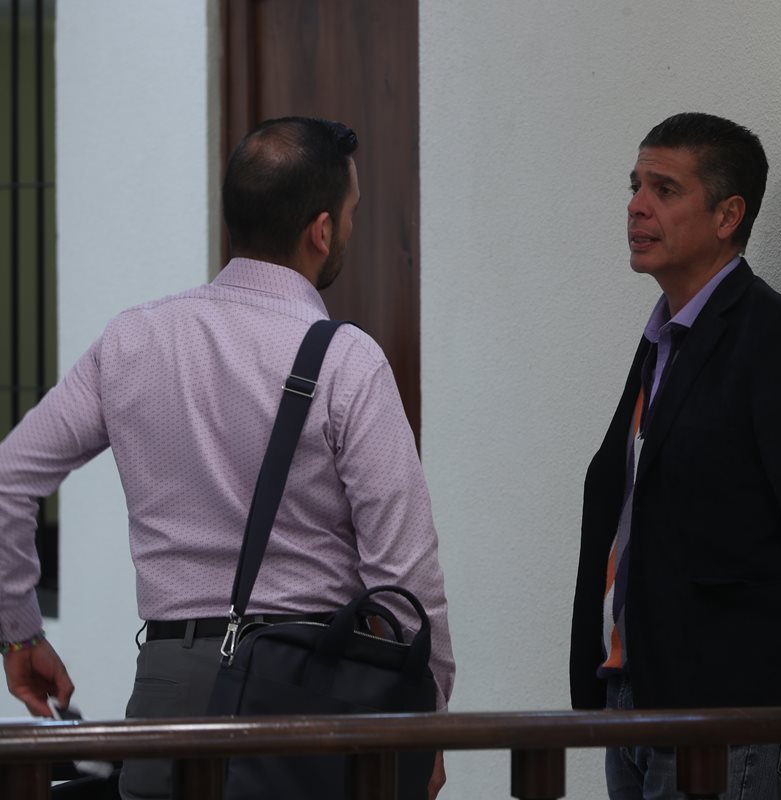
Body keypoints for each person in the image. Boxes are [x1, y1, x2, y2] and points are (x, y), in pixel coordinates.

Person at [0, 117, 454, 799]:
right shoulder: (346, 361)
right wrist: (427, 721)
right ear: (321, 230)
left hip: (164, 694)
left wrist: (18, 634)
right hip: (306, 704)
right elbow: (406, 576)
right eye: (353, 214)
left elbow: (9, 478)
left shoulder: (132, 340)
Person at [569, 112, 781, 800]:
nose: (636, 207)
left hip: (732, 711)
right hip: (632, 696)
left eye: (664, 188)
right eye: (634, 186)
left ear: (727, 215)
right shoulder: (661, 344)